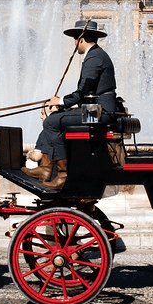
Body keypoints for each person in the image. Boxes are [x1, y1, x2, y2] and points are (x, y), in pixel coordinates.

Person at [25, 19, 117, 190]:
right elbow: (85, 93)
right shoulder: (95, 55)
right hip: (95, 108)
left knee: (52, 122)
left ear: (80, 39)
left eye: (75, 39)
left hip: (100, 112)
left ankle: (61, 174)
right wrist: (64, 105)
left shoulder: (95, 57)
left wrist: (60, 101)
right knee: (56, 118)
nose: (74, 44)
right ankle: (45, 168)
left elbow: (83, 91)